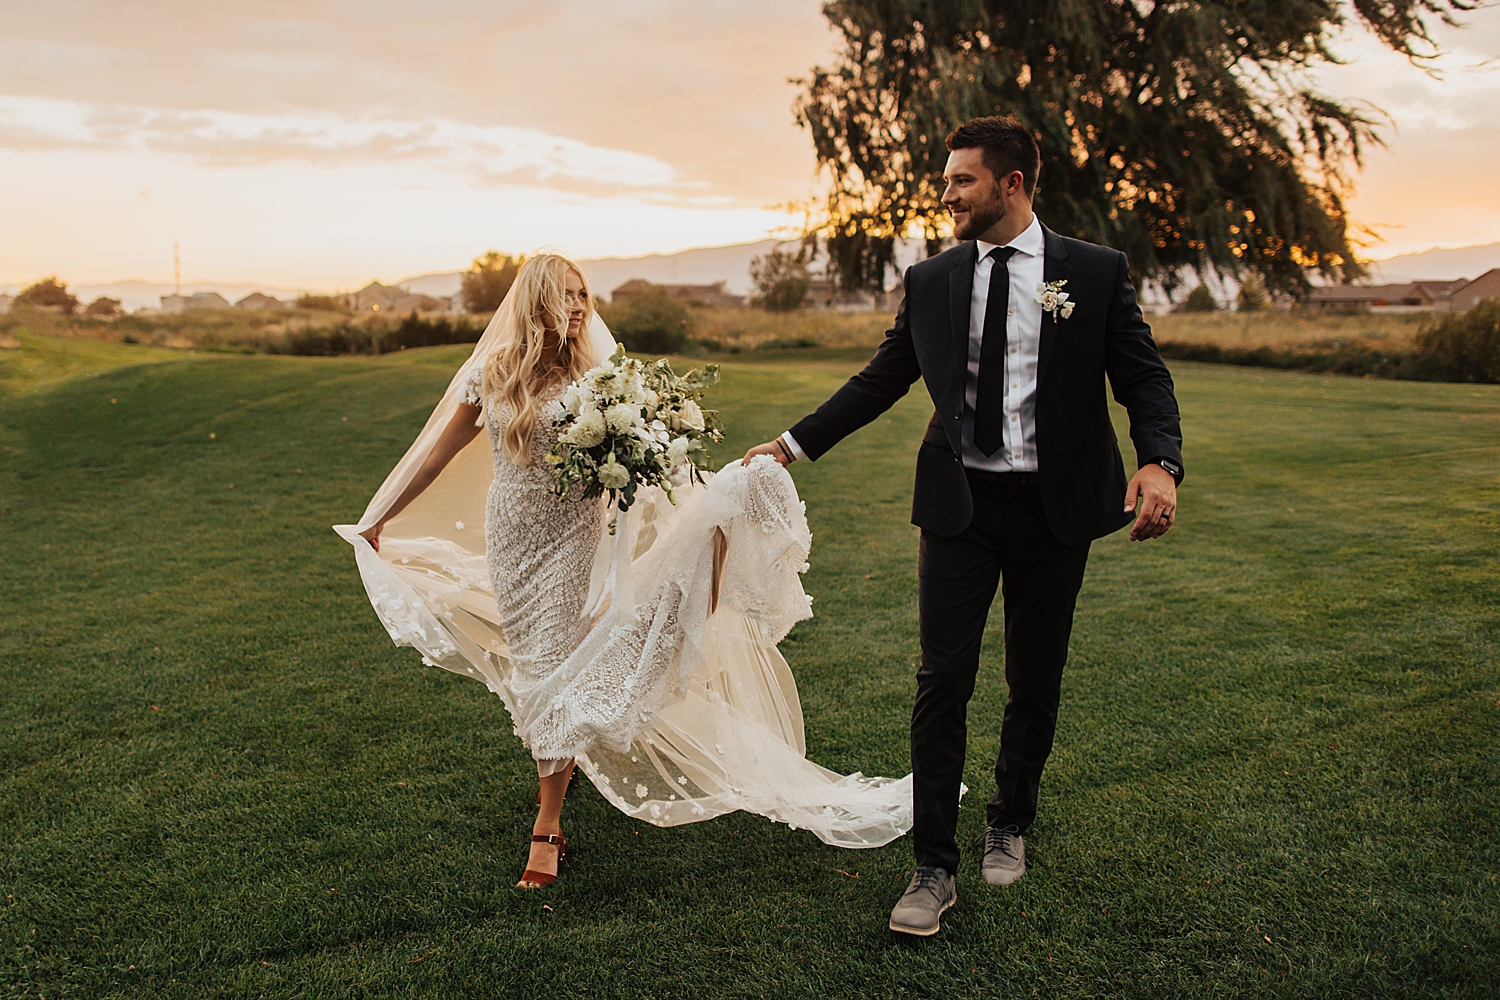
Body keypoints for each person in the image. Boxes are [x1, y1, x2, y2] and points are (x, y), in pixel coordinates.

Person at [338, 253, 912, 890]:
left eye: (585, 294)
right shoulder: (491, 371)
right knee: (538, 664)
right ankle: (559, 763)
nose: (581, 306)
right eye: (566, 295)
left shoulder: (600, 376)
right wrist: (380, 517)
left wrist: (700, 499)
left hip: (571, 541)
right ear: (535, 301)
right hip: (513, 536)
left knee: (553, 665)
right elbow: (434, 458)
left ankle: (547, 824)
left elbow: (645, 459)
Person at [743, 115, 1184, 937]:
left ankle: (1010, 819)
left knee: (1034, 678)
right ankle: (932, 867)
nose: (946, 194)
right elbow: (880, 379)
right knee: (943, 678)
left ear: (1012, 184)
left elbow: (1144, 378)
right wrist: (792, 445)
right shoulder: (934, 279)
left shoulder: (1092, 271)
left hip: (1054, 513)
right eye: (946, 181)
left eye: (961, 181)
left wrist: (1160, 460)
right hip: (959, 509)